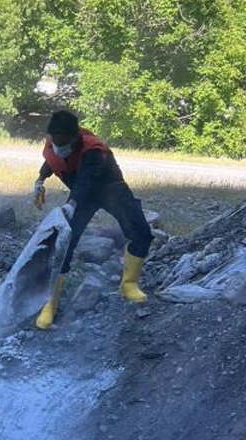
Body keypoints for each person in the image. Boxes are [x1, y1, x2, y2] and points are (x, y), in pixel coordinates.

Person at [33, 110, 154, 329]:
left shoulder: (92, 149)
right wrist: (39, 180)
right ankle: (49, 304)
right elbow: (52, 162)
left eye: (63, 142)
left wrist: (71, 204)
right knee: (65, 242)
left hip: (111, 189)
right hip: (82, 197)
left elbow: (86, 181)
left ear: (75, 137)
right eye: (54, 141)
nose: (58, 146)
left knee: (141, 233)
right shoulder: (53, 145)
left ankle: (128, 284)